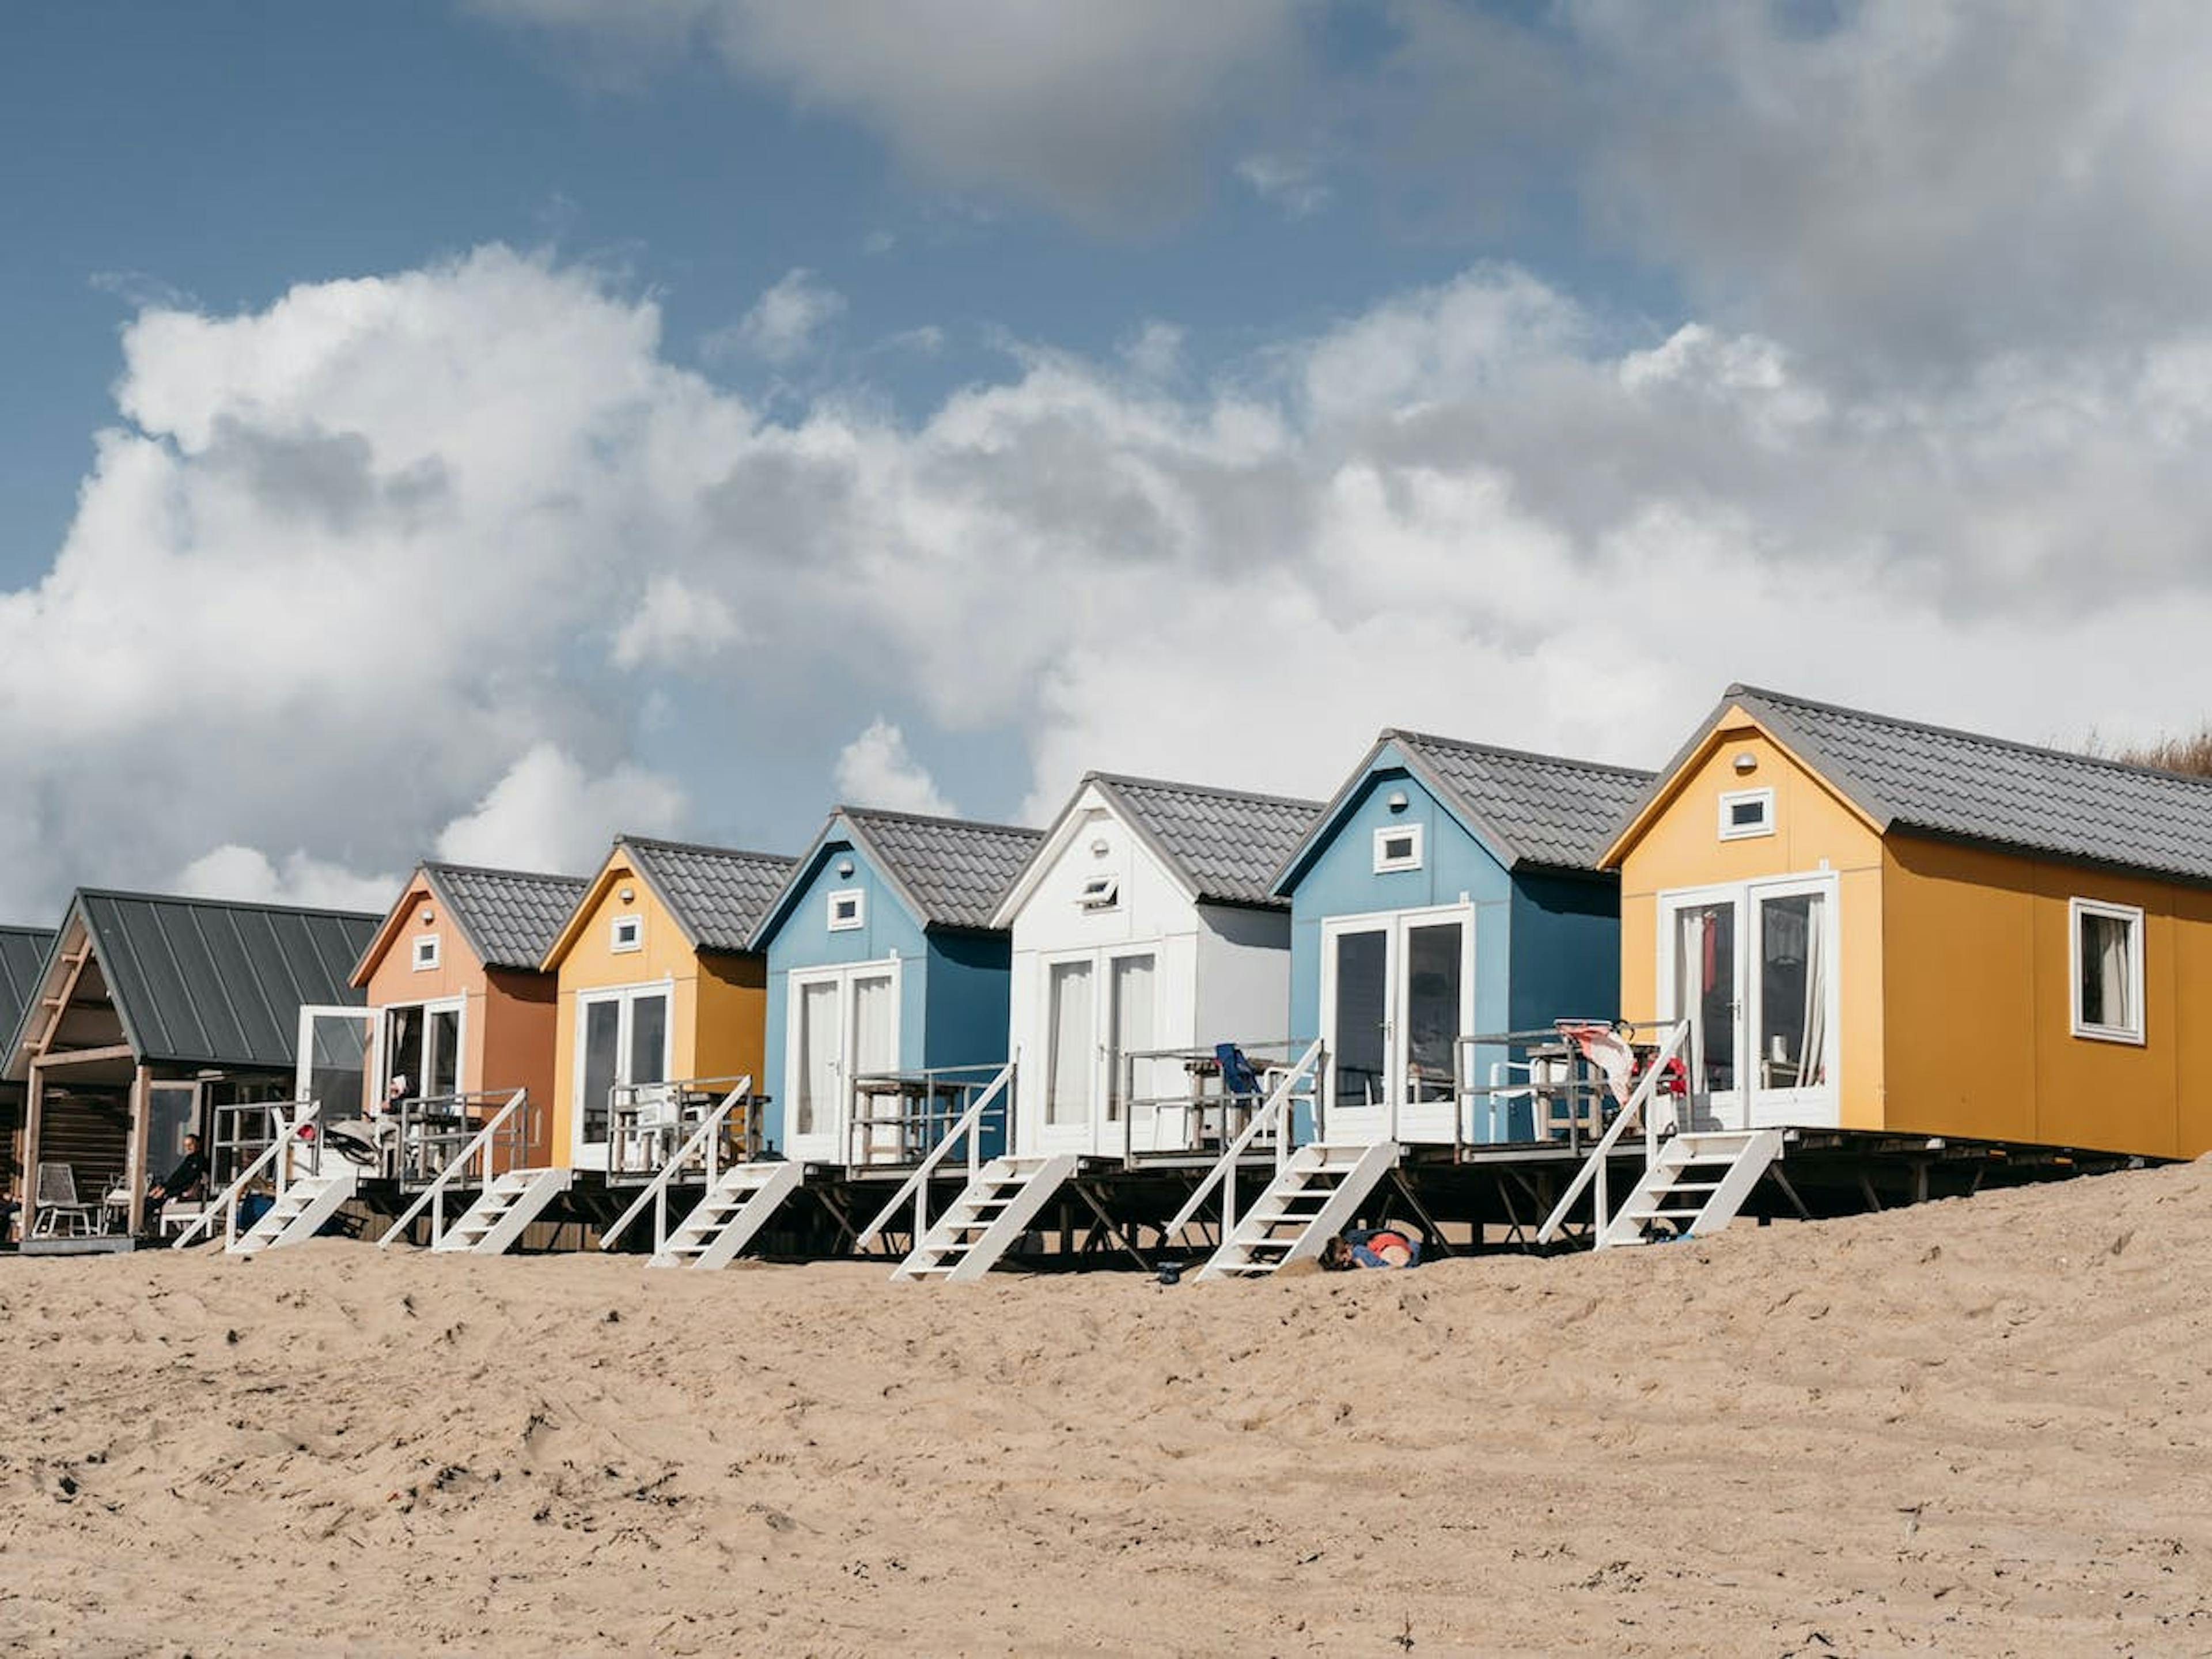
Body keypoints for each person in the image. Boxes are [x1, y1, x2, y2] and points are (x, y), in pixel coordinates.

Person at [145, 1133, 208, 1230]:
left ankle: (133, 1224)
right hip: (172, 1189)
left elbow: (187, 1181)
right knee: (148, 1199)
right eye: (186, 1146)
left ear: (198, 1144)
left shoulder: (199, 1161)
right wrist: (162, 1187)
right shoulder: (189, 1159)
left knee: (152, 1202)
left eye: (191, 1145)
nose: (188, 1148)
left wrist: (166, 1190)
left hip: (181, 1192)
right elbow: (176, 1177)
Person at [1320, 1226, 1420, 1271]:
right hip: (1405, 1250)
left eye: (1344, 1260)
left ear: (1347, 1248)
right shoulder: (1363, 1244)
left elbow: (1372, 1272)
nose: (1346, 1264)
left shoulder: (1357, 1251)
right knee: (1415, 1245)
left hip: (1398, 1265)